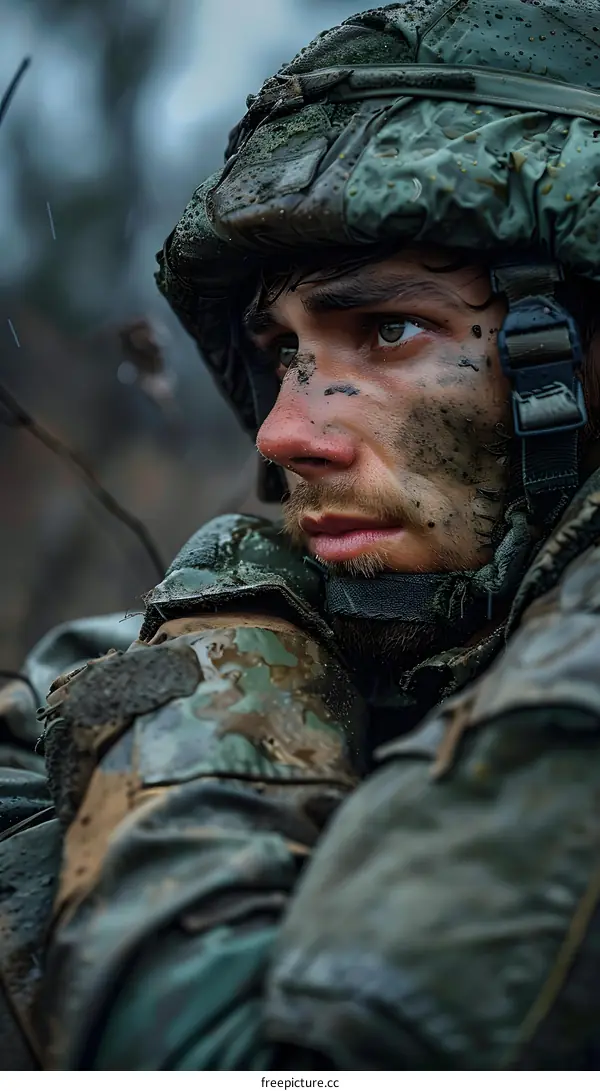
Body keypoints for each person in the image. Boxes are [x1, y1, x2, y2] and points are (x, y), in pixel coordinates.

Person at [3, 0, 600, 1069]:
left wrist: (229, 672)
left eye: (388, 329)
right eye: (285, 350)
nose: (284, 435)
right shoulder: (394, 625)